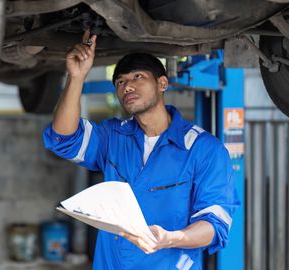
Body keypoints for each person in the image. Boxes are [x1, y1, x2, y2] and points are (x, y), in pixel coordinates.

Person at [43, 31, 239, 270]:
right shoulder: (114, 137)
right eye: (120, 82)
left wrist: (172, 238)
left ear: (162, 83)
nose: (128, 86)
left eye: (138, 77)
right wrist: (76, 77)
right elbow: (63, 138)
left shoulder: (204, 149)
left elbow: (215, 224)